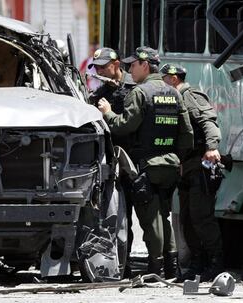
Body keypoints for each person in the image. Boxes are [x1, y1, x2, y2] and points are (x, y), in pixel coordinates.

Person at [98, 46, 193, 279]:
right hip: (170, 164)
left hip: (146, 165)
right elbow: (187, 133)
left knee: (151, 221)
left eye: (133, 65)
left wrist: (108, 112)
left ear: (144, 64)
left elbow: (124, 125)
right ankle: (172, 268)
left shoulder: (140, 92)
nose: (130, 69)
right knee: (163, 216)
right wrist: (177, 157)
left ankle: (155, 268)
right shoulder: (174, 93)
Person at [160, 63, 224, 282]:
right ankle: (197, 264)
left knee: (201, 217)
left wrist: (212, 146)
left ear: (175, 78)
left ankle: (215, 263)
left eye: (165, 78)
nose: (163, 83)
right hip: (186, 168)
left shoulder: (190, 95)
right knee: (187, 219)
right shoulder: (177, 98)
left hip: (200, 166)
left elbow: (209, 121)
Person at [88, 47, 136, 278]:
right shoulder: (101, 93)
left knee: (147, 217)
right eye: (96, 67)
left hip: (136, 162)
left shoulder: (134, 87)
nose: (100, 71)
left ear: (117, 65)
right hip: (113, 164)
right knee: (118, 217)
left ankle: (161, 266)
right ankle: (122, 267)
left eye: (104, 67)